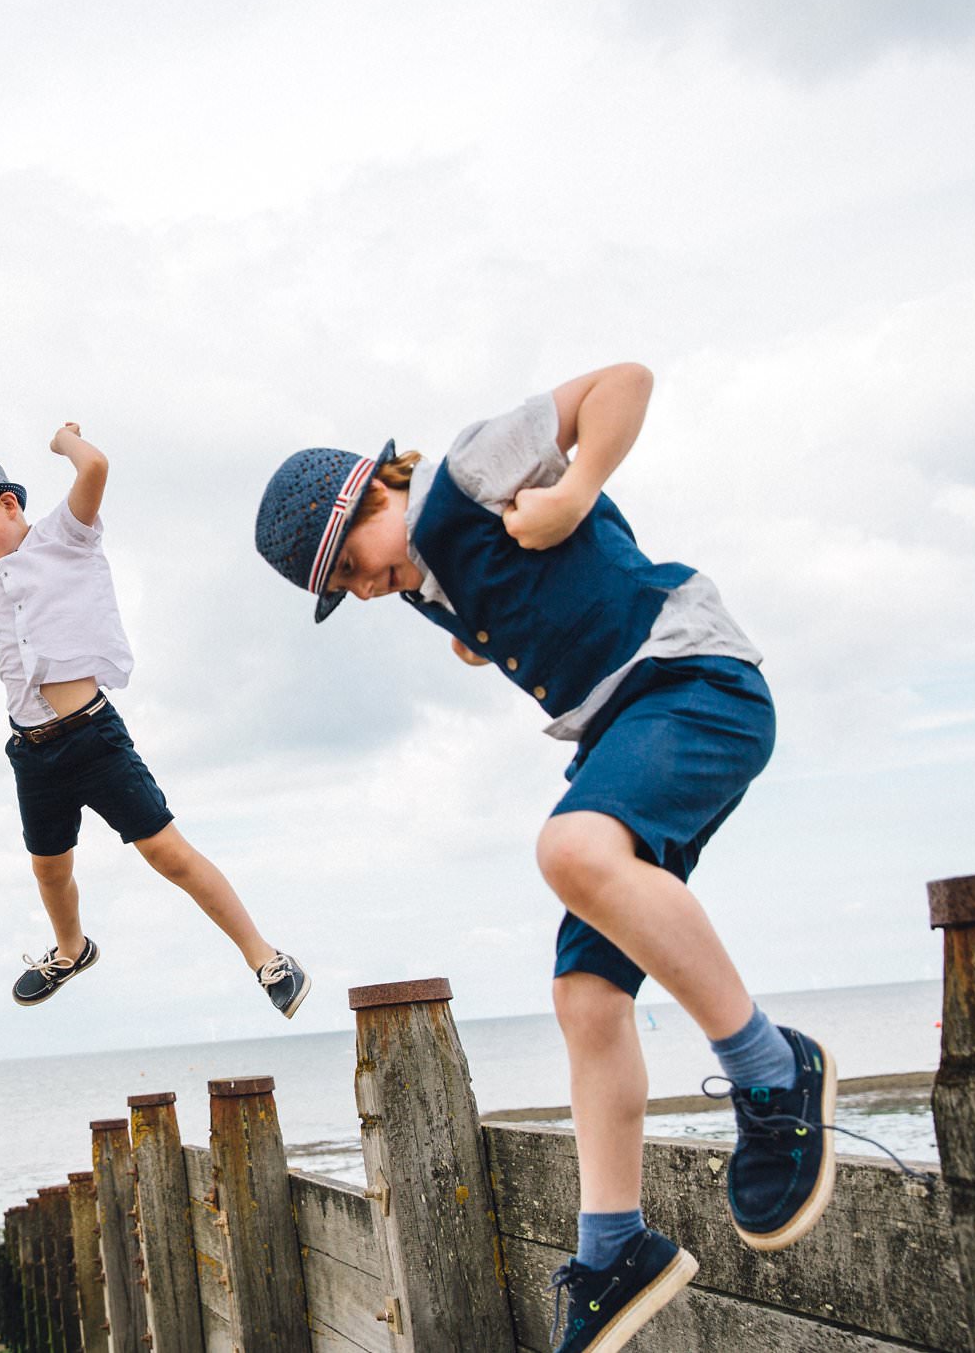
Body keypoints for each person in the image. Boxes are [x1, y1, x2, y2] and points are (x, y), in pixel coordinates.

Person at [253, 365, 834, 1353]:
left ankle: (771, 1074)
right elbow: (518, 597)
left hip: (694, 684)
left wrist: (576, 483)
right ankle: (613, 1250)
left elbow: (620, 382)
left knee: (568, 848)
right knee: (583, 995)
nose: (360, 588)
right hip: (624, 739)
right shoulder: (431, 580)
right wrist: (483, 631)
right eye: (340, 590)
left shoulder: (464, 472)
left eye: (348, 562)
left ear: (375, 494)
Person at [0, 424, 310, 1017]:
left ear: (9, 504)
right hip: (33, 751)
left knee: (169, 855)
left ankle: (265, 957)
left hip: (93, 739)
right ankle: (72, 950)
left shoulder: (64, 537)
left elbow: (95, 467)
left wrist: (62, 441)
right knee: (49, 871)